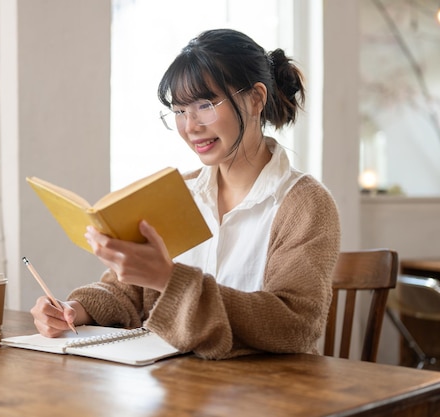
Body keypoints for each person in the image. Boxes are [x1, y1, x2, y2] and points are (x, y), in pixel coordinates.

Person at [31, 28, 340, 359]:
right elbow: (127, 290)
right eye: (179, 111)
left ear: (256, 99)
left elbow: (295, 323)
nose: (190, 126)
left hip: (272, 392)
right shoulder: (178, 193)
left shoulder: (305, 203)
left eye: (205, 105)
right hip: (178, 387)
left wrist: (171, 279)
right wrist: (73, 310)